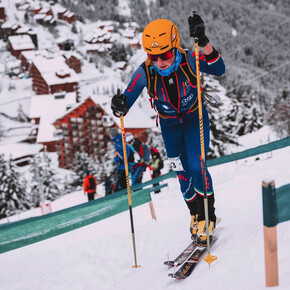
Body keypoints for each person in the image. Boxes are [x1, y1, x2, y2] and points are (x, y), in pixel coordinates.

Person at [111, 13, 225, 243]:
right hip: (169, 126)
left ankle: (208, 216)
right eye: (153, 56)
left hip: (195, 119)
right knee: (181, 172)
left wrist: (203, 41)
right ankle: (195, 215)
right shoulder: (146, 71)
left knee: (196, 164)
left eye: (165, 54)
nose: (160, 61)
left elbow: (219, 68)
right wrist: (118, 106)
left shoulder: (190, 58)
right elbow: (126, 101)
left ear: (174, 47)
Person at [110, 127, 135, 192]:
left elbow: (125, 151)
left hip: (123, 166)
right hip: (122, 166)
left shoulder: (118, 141)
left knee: (122, 185)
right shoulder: (118, 140)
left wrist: (122, 161)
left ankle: (126, 198)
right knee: (122, 185)